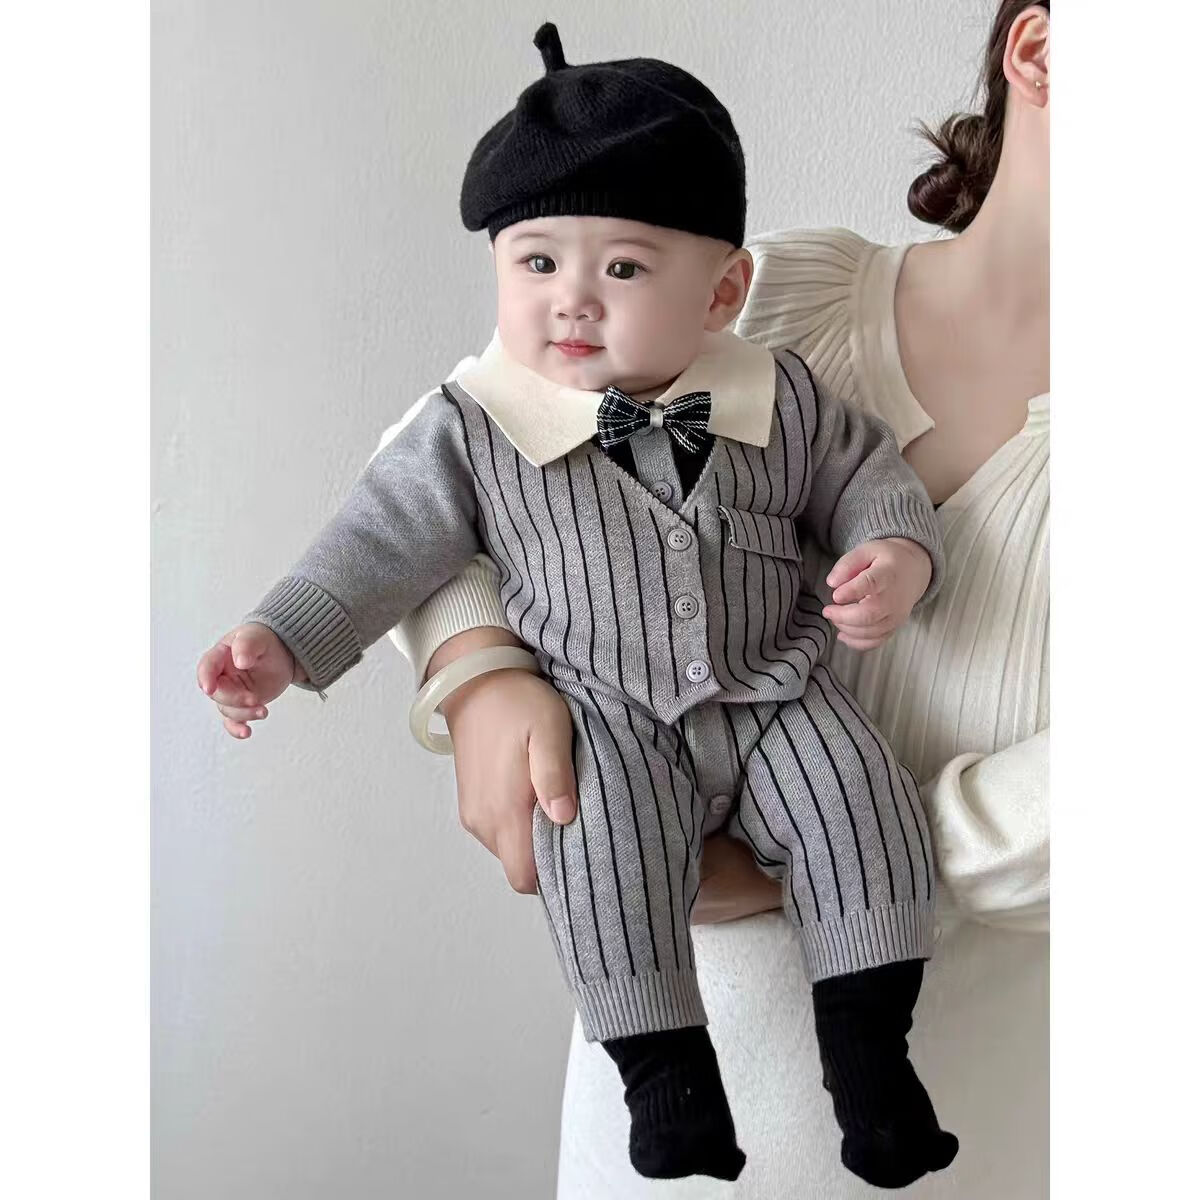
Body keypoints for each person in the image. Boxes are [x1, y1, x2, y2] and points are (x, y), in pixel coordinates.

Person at [195, 22, 959, 1189]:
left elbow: (869, 478)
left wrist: (894, 553)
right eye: (536, 264)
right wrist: (282, 639)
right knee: (592, 848)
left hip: (777, 691)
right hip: (604, 716)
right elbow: (379, 540)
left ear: (724, 290)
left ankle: (872, 1067)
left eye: (625, 270)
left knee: (865, 807)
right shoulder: (472, 424)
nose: (572, 302)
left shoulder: (782, 393)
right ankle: (666, 1085)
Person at [391, 1, 1050, 1195]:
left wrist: (824, 843)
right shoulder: (773, 294)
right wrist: (476, 666)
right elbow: (438, 472)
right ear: (1044, 50)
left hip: (987, 1137)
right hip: (646, 1138)